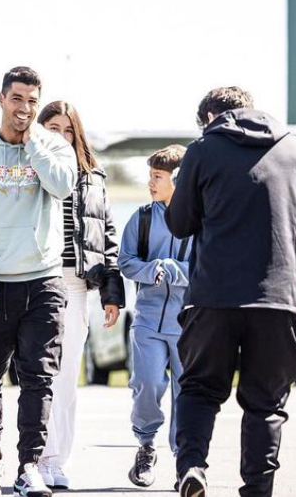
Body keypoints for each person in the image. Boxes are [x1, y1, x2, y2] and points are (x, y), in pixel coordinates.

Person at [166, 86, 296, 497]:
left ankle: (192, 466)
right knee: (266, 402)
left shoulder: (203, 149)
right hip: (278, 297)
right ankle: (257, 488)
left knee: (199, 388)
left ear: (212, 115)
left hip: (213, 296)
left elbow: (179, 224)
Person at [0, 66, 77, 497]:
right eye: (17, 99)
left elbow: (61, 187)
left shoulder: (54, 148)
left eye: (32, 102)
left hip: (42, 281)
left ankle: (29, 465)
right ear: (1, 99)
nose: (24, 109)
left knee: (38, 379)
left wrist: (35, 146)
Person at [34, 100, 123, 490]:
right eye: (53, 128)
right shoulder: (29, 168)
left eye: (68, 129)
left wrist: (112, 292)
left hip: (76, 286)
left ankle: (56, 459)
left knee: (67, 378)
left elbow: (107, 235)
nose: (62, 136)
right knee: (37, 376)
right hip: (36, 283)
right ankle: (32, 457)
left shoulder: (93, 176)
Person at [118, 144, 190, 489]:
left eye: (157, 177)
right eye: (150, 175)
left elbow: (210, 267)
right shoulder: (141, 218)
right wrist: (151, 271)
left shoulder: (202, 220)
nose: (150, 182)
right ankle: (146, 446)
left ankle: (185, 461)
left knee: (186, 393)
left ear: (178, 180)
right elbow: (126, 262)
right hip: (146, 321)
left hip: (189, 323)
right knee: (147, 383)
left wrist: (174, 270)